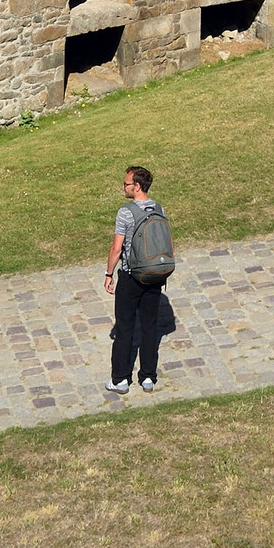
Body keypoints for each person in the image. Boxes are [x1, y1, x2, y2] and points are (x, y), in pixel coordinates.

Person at [105, 164, 166, 394]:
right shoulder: (159, 209)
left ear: (137, 186)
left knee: (125, 328)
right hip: (154, 275)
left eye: (126, 184)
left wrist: (109, 274)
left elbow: (116, 248)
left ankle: (120, 379)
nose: (124, 187)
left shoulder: (126, 212)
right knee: (150, 327)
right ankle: (148, 377)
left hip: (131, 277)